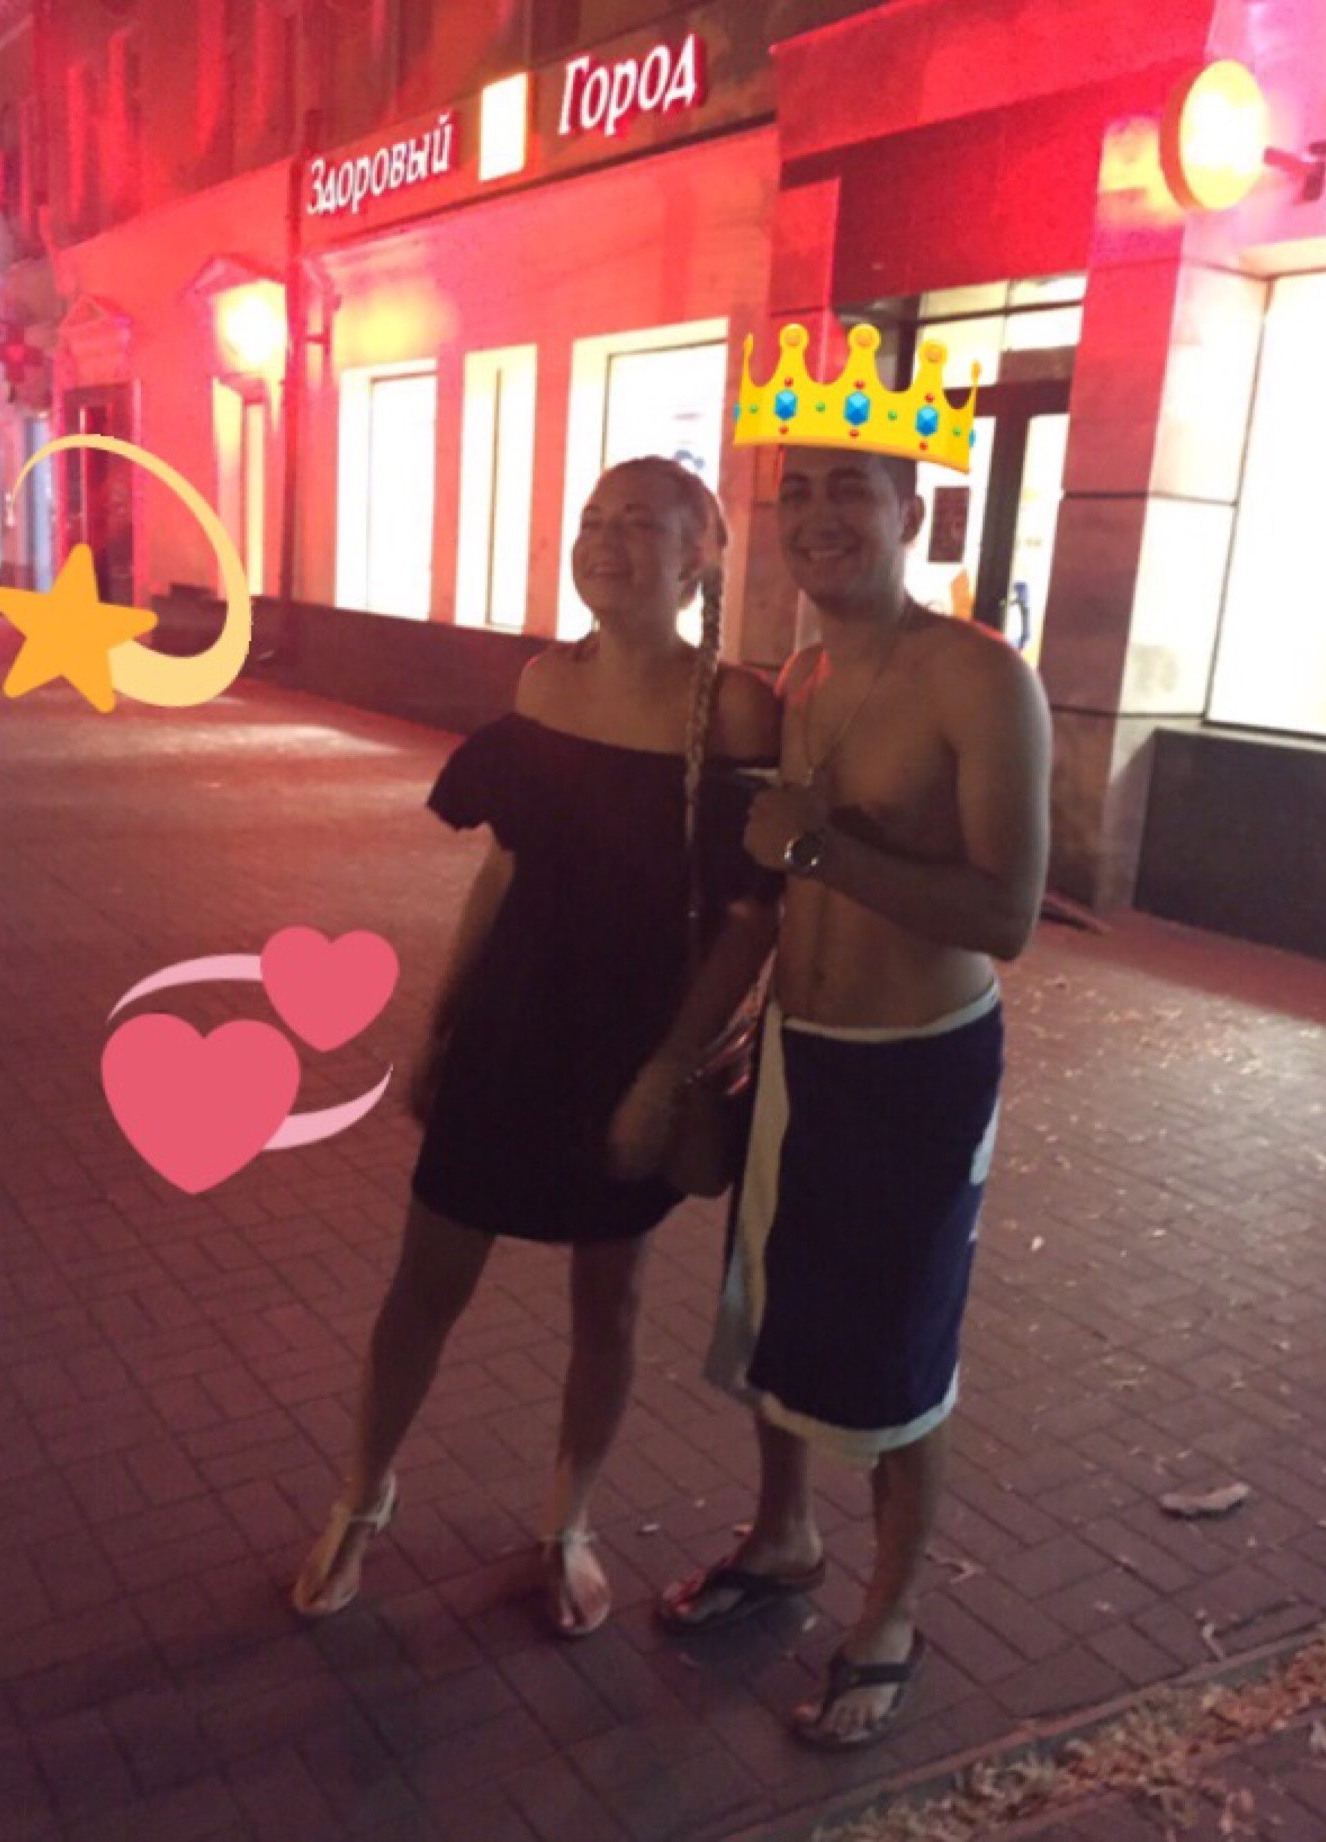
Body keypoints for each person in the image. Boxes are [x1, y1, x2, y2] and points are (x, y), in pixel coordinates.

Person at [292, 456, 779, 1638]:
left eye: (641, 523)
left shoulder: (737, 709)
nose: (607, 541)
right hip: (514, 1021)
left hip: (634, 1037)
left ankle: (568, 1521)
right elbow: (502, 869)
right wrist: (442, 1020)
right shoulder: (545, 683)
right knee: (425, 1283)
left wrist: (667, 1069)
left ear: (700, 557)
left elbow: (748, 918)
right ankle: (363, 1495)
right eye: (593, 519)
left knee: (609, 1301)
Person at [660, 440, 1051, 1748]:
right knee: (771, 1306)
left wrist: (823, 846)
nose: (818, 516)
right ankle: (783, 1536)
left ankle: (891, 1609)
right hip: (800, 1046)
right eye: (798, 493)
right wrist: (688, 1047)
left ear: (913, 511)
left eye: (850, 491)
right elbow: (762, 893)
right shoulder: (803, 677)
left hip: (916, 1063)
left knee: (901, 1342)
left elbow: (1007, 913)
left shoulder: (978, 678)